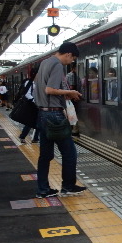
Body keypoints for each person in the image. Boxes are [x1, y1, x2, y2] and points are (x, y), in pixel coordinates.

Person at [34, 42, 86, 198]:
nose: (71, 62)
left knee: (45, 155)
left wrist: (64, 94)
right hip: (54, 115)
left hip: (42, 113)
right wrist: (70, 92)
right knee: (70, 153)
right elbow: (50, 89)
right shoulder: (57, 65)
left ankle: (43, 189)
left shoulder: (45, 62)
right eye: (72, 59)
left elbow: (44, 89)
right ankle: (68, 186)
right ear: (68, 54)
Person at [18, 69, 39, 144]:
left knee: (38, 121)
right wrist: (34, 101)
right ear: (34, 74)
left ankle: (35, 138)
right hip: (31, 104)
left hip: (38, 105)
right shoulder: (29, 82)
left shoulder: (38, 82)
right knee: (30, 122)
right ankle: (23, 136)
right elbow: (27, 94)